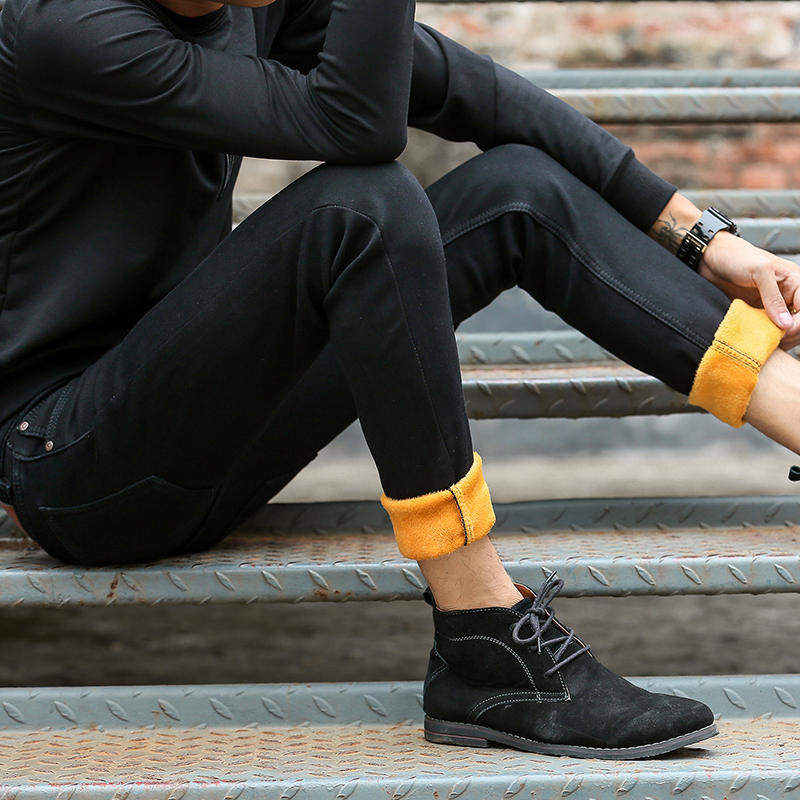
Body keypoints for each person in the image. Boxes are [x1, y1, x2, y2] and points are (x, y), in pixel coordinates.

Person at [0, 0, 798, 760]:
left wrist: (703, 240)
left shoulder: (253, 10)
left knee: (518, 187)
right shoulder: (65, 27)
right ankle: (482, 636)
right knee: (363, 206)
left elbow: (477, 93)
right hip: (78, 470)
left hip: (213, 425)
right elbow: (355, 126)